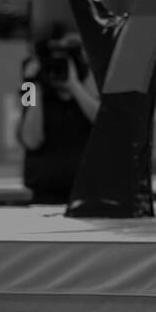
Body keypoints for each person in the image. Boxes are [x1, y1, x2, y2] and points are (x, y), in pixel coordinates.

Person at [17, 28, 100, 205]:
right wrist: (32, 84)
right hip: (43, 194)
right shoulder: (30, 91)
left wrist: (74, 86)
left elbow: (104, 123)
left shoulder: (86, 88)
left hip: (86, 193)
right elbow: (30, 140)